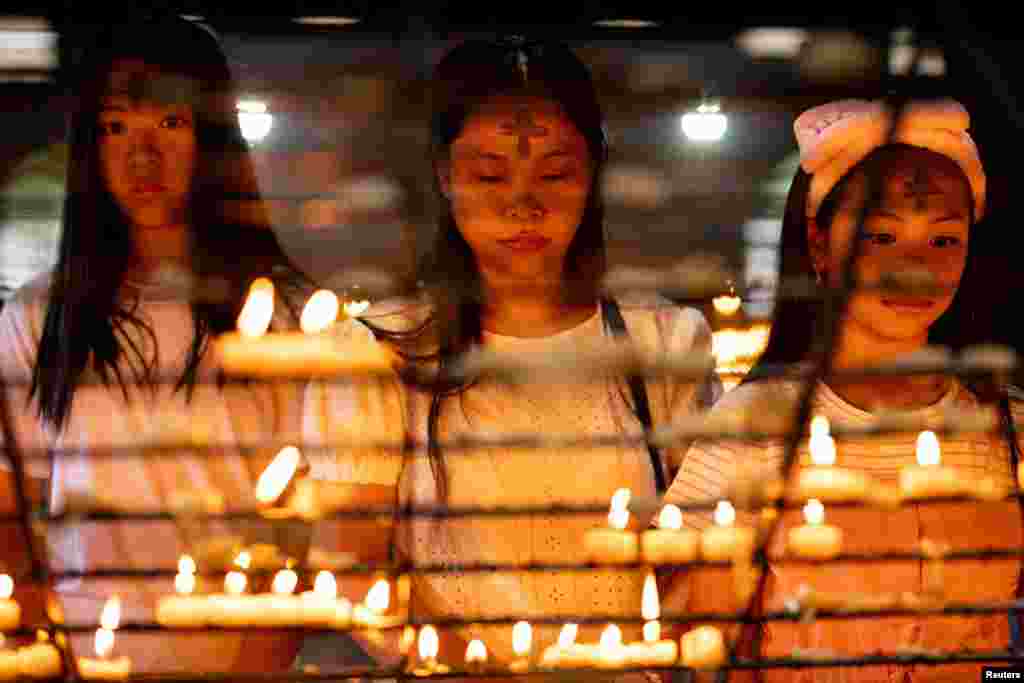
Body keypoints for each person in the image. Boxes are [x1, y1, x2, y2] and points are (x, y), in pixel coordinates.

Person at [302, 37, 721, 677]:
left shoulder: (664, 344)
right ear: (444, 177)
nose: (523, 205)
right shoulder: (376, 353)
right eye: (489, 175)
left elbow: (696, 561)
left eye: (554, 174)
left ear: (594, 173)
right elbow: (352, 568)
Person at [664, 98, 1020, 682]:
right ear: (820, 244)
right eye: (880, 237)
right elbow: (695, 642)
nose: (914, 267)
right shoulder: (753, 427)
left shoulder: (1006, 429)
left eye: (943, 241)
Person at [0, 14, 308, 674]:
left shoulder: (279, 314)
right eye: (116, 128)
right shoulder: (37, 315)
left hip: (235, 652)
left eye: (170, 124)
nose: (142, 157)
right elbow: (6, 507)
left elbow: (306, 531)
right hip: (81, 649)